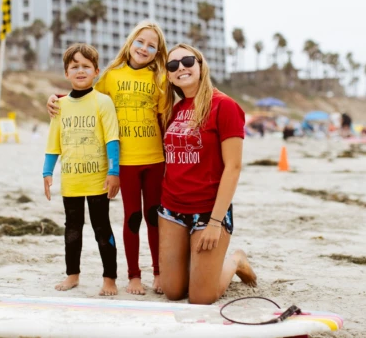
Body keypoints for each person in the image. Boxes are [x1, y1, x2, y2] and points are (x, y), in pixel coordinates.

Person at [47, 21, 168, 295]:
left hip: (155, 159)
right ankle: (134, 276)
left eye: (152, 45)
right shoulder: (111, 75)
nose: (144, 48)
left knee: (154, 217)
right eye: (140, 41)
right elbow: (83, 95)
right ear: (130, 42)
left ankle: (159, 272)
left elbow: (163, 119)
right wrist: (55, 98)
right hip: (125, 162)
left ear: (158, 51)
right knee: (132, 217)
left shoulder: (159, 77)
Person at [159, 43, 256, 304]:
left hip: (208, 210)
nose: (181, 68)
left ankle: (235, 260)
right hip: (172, 207)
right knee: (173, 291)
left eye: (188, 61)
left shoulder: (224, 106)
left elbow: (233, 167)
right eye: (172, 65)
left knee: (201, 297)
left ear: (201, 65)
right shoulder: (174, 110)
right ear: (168, 75)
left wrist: (215, 222)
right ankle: (200, 267)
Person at [43, 43, 121, 296]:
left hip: (98, 179)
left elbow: (112, 139)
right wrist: (47, 172)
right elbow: (53, 141)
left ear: (96, 71)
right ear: (66, 73)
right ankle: (72, 275)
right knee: (72, 229)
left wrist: (114, 172)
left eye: (86, 66)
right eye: (74, 66)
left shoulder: (103, 102)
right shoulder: (60, 105)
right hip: (72, 181)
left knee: (102, 229)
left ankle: (109, 278)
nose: (80, 70)